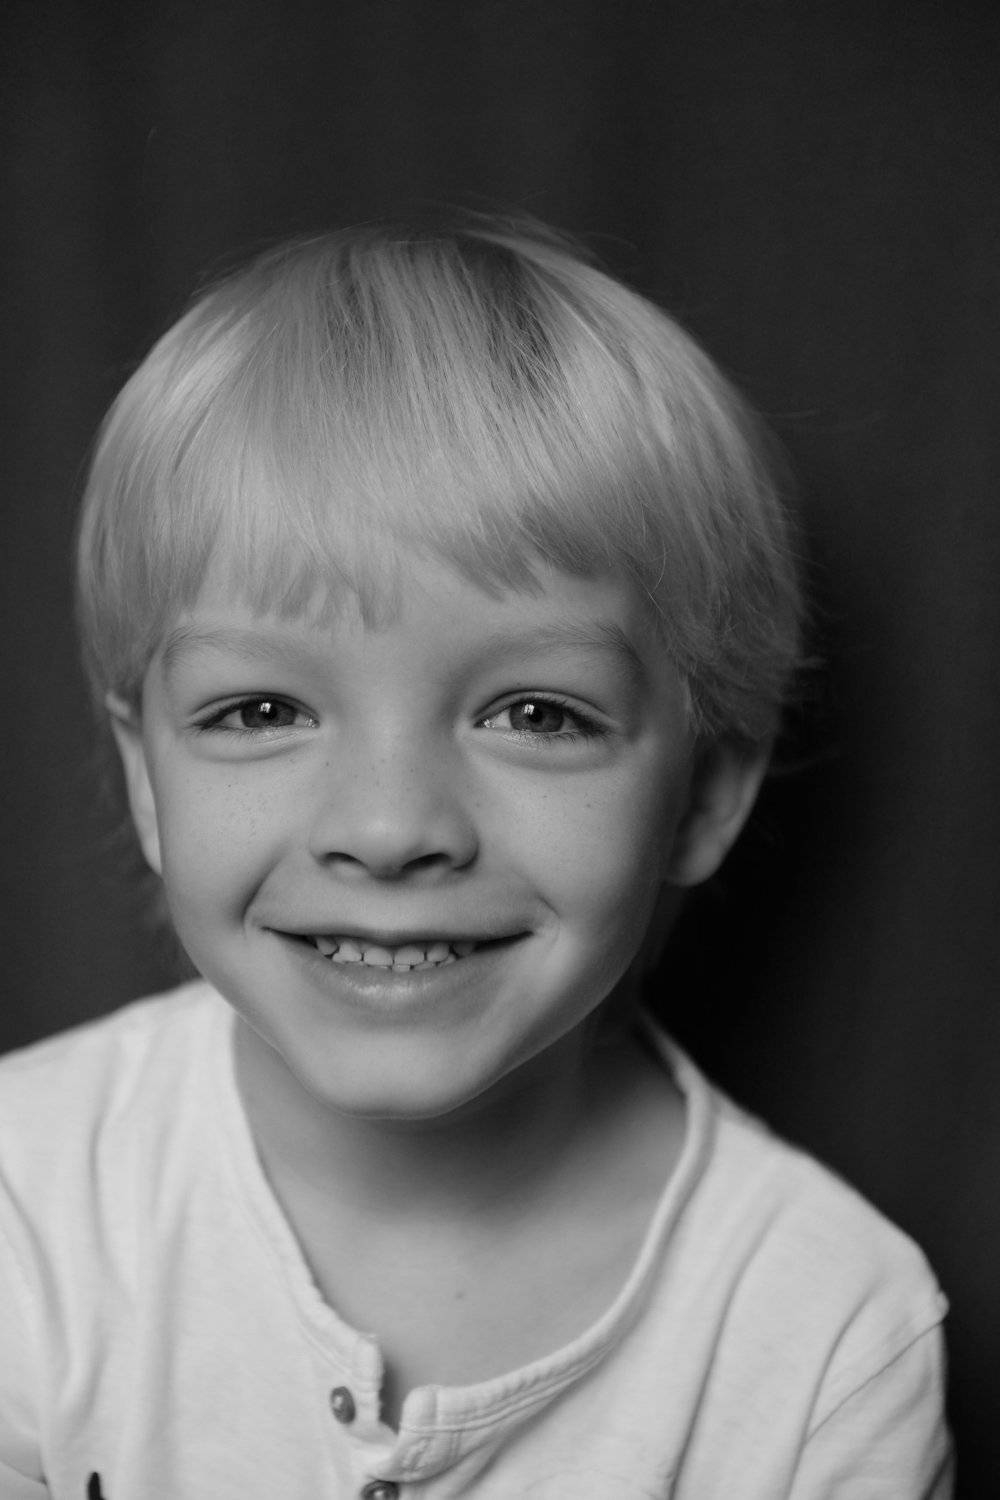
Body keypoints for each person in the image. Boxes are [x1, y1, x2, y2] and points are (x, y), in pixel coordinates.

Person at [0, 215, 951, 1498]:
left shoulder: (831, 1335)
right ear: (144, 777)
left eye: (536, 715)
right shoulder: (24, 1207)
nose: (390, 829)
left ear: (704, 793)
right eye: (262, 709)